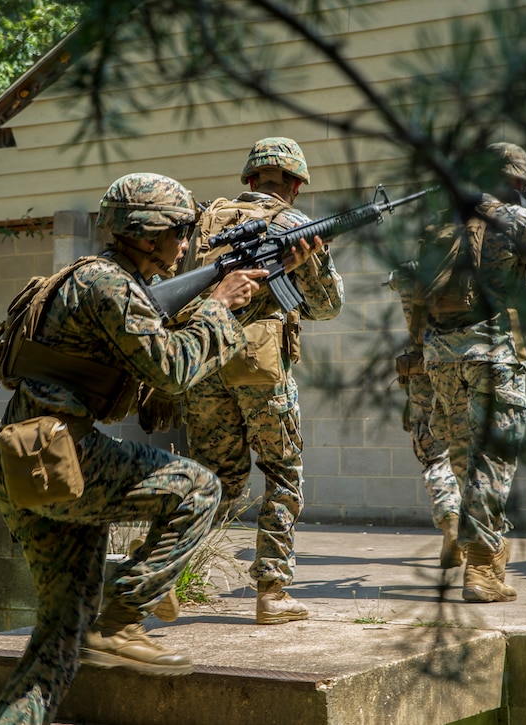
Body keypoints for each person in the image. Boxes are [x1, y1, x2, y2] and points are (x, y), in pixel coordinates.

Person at [0, 172, 323, 724]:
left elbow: (154, 355)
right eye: (178, 231)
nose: (186, 244)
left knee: (63, 635)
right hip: (64, 453)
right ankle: (126, 613)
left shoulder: (98, 282)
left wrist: (282, 268)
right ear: (144, 232)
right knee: (199, 488)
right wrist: (220, 305)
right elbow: (175, 369)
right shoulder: (108, 287)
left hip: (29, 462)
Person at [180, 137, 345, 625]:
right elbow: (325, 307)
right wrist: (309, 265)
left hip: (204, 359)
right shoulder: (295, 224)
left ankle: (166, 574)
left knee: (216, 478)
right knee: (282, 471)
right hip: (260, 365)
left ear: (250, 180)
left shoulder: (206, 219)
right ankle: (272, 593)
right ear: (294, 185)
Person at [421, 142, 526, 603]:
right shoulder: (512, 218)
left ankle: (481, 553)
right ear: (519, 182)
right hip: (492, 355)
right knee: (492, 463)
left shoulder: (441, 221)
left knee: (465, 458)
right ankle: (483, 568)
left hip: (442, 357)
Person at [387, 264, 462, 569]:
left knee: (435, 457)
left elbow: (394, 280)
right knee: (479, 456)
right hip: (477, 369)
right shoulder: (485, 260)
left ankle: (451, 522)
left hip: (424, 370)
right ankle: (485, 543)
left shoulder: (408, 271)